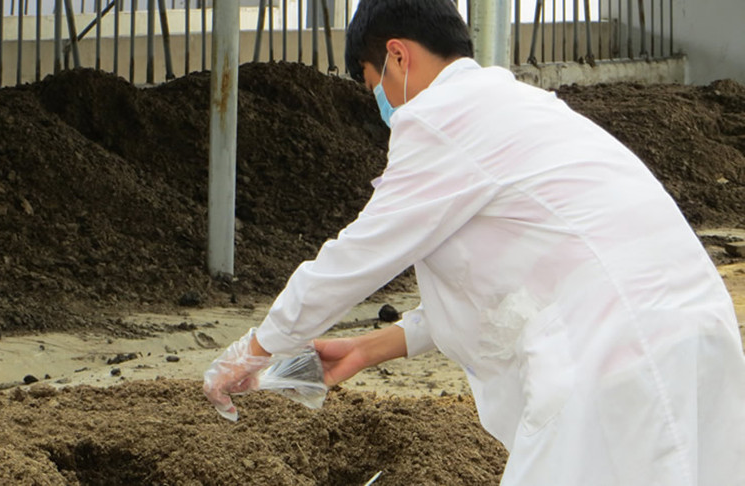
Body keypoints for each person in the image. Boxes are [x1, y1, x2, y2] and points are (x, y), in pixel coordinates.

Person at [203, 0, 745, 483]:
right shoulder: (517, 107)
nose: (383, 106)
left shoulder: (439, 120)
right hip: (694, 337)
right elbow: (497, 283)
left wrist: (255, 349)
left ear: (397, 56)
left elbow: (355, 258)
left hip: (617, 355)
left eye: (374, 87)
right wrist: (370, 348)